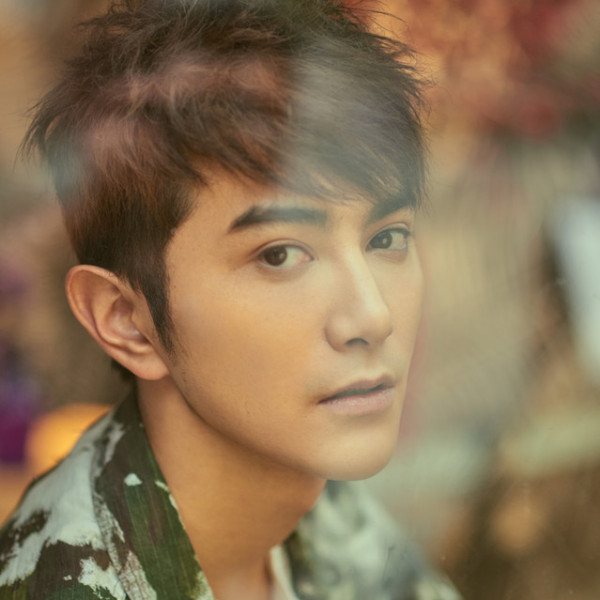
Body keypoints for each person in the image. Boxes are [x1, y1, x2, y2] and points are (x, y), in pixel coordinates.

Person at [0, 0, 462, 598]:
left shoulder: (318, 501)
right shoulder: (69, 582)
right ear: (126, 320)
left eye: (387, 238)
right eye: (280, 255)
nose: (372, 316)